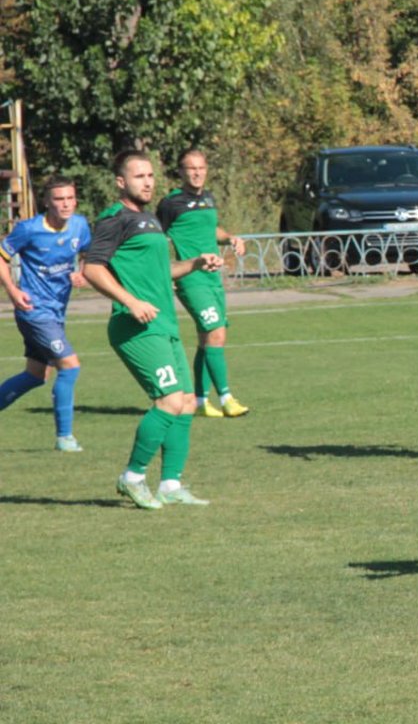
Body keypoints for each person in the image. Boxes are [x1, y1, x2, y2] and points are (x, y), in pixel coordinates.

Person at [84, 150, 222, 510]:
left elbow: (161, 274)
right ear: (121, 182)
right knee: (169, 400)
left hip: (164, 324)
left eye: (150, 176)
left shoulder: (150, 220)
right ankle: (131, 477)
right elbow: (92, 269)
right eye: (138, 176)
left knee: (187, 403)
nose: (147, 182)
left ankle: (171, 484)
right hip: (135, 326)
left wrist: (194, 263)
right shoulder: (114, 219)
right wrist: (130, 302)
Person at [156, 148, 250, 417]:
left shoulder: (208, 198)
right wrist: (167, 272)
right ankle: (227, 398)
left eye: (201, 168)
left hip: (212, 278)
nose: (196, 173)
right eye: (191, 168)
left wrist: (231, 238)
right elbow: (155, 239)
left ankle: (199, 401)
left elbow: (211, 229)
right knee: (216, 333)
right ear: (181, 171)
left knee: (207, 339)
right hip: (191, 278)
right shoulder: (171, 203)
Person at [0, 175, 92, 451]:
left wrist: (82, 274)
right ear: (47, 202)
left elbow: (90, 254)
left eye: (70, 198)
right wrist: (14, 292)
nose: (66, 204)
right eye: (59, 199)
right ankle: (65, 437)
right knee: (70, 366)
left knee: (36, 374)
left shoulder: (80, 225)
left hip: (56, 311)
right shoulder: (28, 229)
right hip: (34, 310)